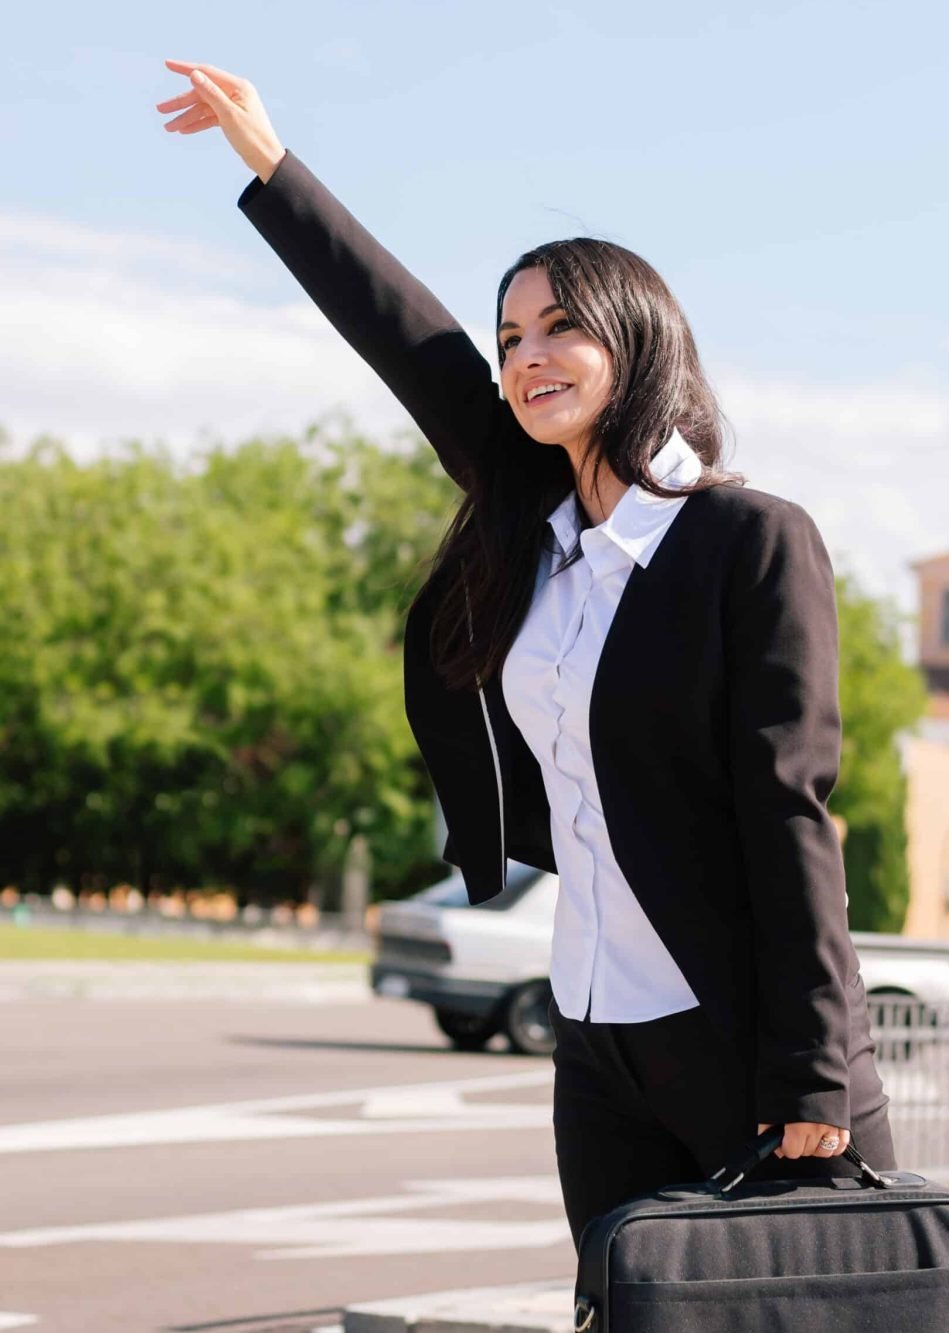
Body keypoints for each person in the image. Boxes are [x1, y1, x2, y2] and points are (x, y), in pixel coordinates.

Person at [156, 60, 896, 1252]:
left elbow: (787, 807)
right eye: (512, 337)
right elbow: (413, 345)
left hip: (745, 1046)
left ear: (637, 339)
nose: (525, 354)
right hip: (596, 1042)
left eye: (560, 326)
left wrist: (813, 1075)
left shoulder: (744, 541)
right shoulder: (535, 537)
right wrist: (274, 169)